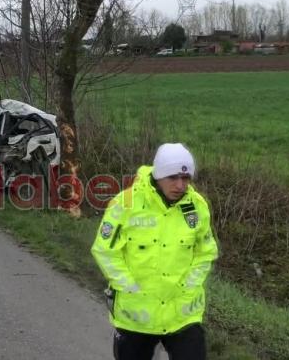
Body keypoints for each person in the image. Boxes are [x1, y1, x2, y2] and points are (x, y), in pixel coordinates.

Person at [91, 143, 218, 360]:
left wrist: (190, 285)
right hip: (136, 315)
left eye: (186, 178)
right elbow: (104, 250)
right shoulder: (125, 204)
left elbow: (206, 252)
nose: (180, 185)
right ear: (158, 175)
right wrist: (129, 287)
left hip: (182, 314)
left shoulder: (196, 206)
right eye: (173, 177)